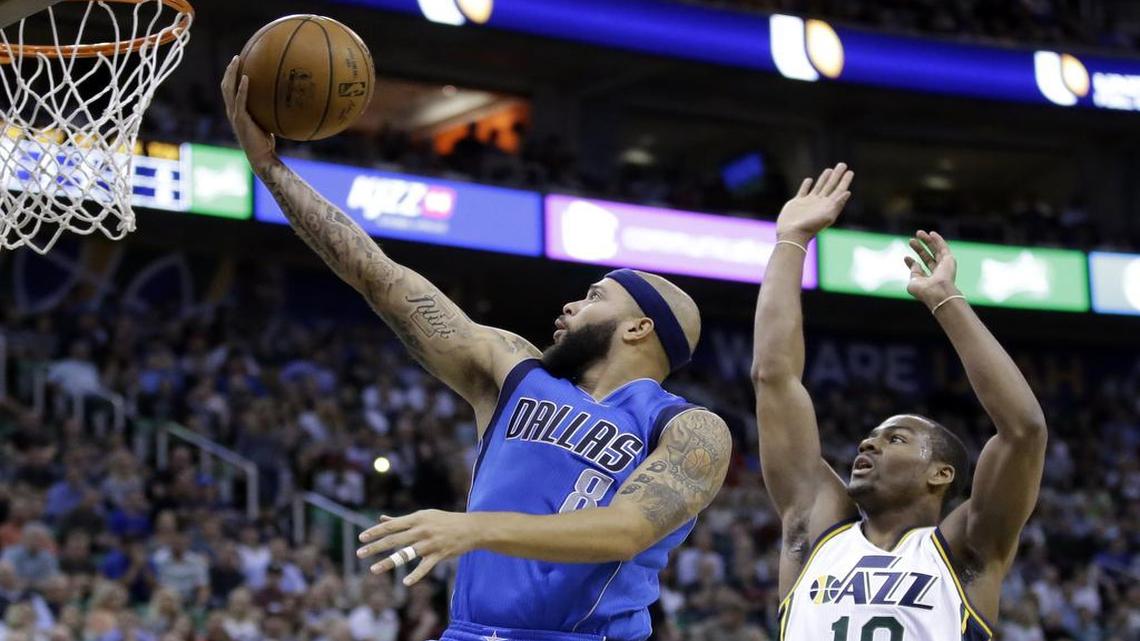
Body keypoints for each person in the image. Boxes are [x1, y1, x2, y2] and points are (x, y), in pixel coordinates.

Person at [222, 58, 731, 641]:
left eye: (592, 297)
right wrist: (270, 168)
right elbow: (381, 278)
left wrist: (475, 528)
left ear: (639, 328)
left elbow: (626, 530)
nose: (568, 308)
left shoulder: (691, 428)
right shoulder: (514, 373)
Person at [751, 164, 1047, 640]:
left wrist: (946, 300)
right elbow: (774, 377)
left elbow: (1024, 430)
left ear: (941, 473)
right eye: (870, 439)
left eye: (896, 438)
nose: (867, 447)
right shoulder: (815, 527)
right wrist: (790, 242)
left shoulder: (965, 550)